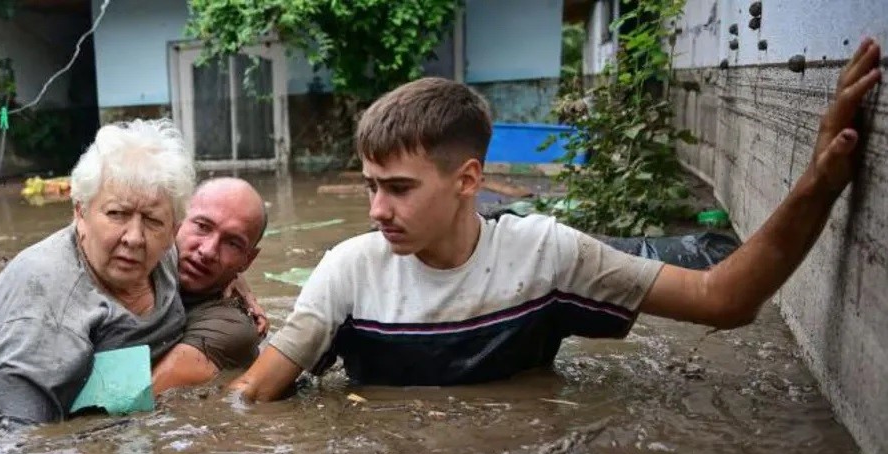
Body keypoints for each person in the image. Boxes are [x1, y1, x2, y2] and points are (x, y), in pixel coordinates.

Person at [227, 39, 883, 401]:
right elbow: (251, 399)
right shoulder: (348, 270)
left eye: (397, 189)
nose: (375, 210)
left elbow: (725, 298)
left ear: (468, 181)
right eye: (370, 186)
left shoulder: (546, 255)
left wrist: (818, 182)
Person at [0, 118, 196, 429]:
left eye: (152, 220)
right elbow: (17, 438)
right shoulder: (49, 298)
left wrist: (236, 285)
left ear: (173, 230)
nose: (134, 237)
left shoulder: (168, 251)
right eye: (117, 214)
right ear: (80, 213)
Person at [151, 177, 269, 394]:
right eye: (202, 227)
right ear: (176, 220)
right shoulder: (143, 252)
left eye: (232, 243)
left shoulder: (232, 329)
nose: (207, 251)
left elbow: (141, 396)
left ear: (248, 260)